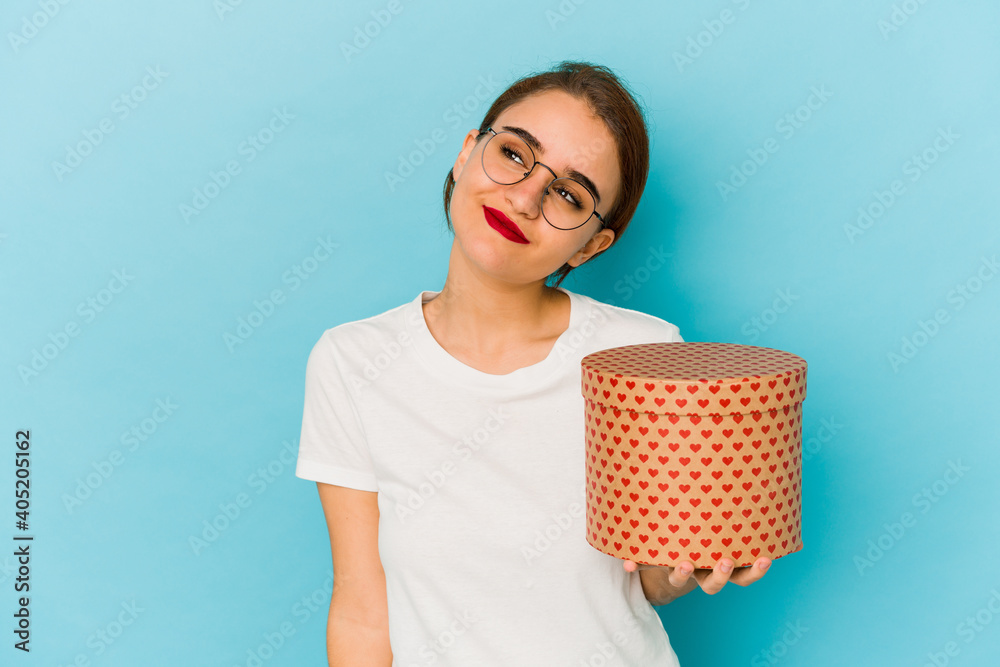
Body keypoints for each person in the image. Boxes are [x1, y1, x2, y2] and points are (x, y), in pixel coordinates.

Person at [295, 60, 771, 666]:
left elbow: (646, 580)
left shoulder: (643, 357)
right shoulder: (352, 362)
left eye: (570, 195)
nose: (523, 197)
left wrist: (683, 568)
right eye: (516, 155)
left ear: (594, 243)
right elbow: (363, 611)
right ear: (468, 152)